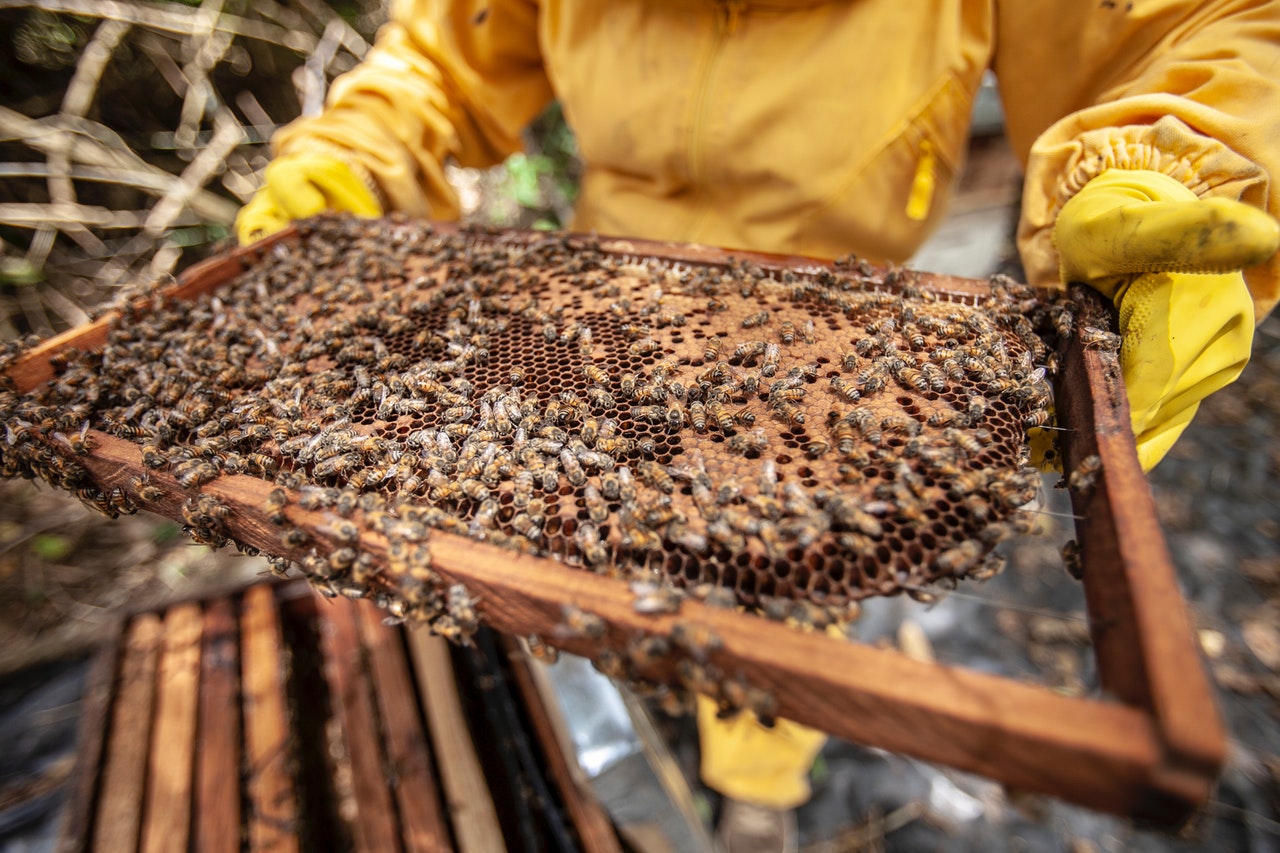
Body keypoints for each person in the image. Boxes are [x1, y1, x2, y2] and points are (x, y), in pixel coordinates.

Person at [237, 3, 1280, 850]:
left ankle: (756, 782)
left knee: (781, 594)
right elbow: (440, 56)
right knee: (581, 544)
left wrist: (1182, 157)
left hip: (828, 343)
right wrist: (358, 156)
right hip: (598, 318)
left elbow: (1194, 25)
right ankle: (640, 682)